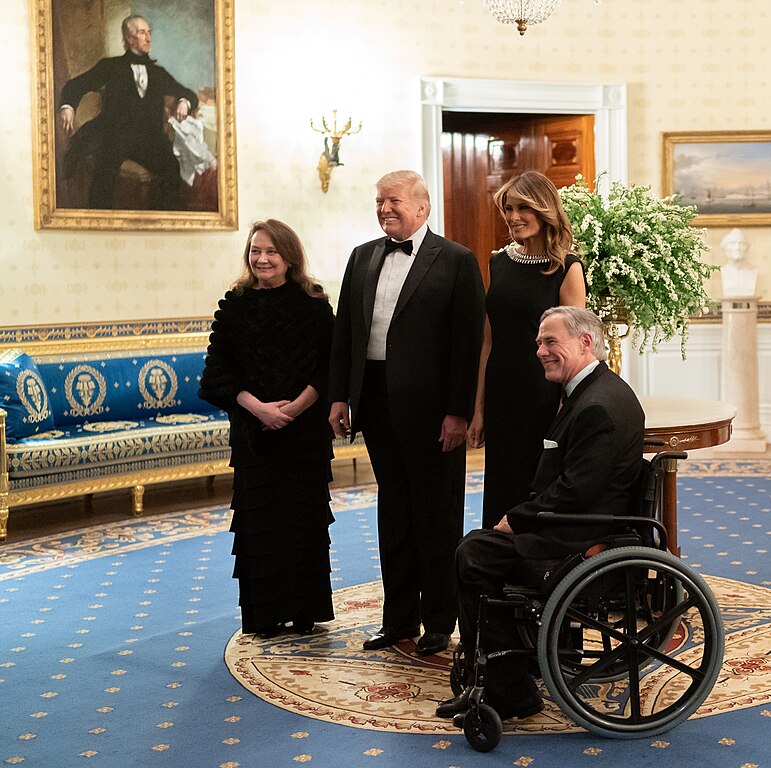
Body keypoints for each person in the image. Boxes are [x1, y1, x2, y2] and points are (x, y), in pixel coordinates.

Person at [435, 306, 645, 722]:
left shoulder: (598, 405)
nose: (540, 351)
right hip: (575, 525)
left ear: (585, 342)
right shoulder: (592, 392)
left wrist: (519, 518)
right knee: (475, 547)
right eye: (538, 343)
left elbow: (576, 491)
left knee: (474, 555)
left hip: (581, 538)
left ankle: (508, 689)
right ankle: (495, 677)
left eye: (550, 341)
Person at [328, 170, 484, 657]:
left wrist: (458, 412)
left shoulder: (456, 260)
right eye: (379, 201)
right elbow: (345, 332)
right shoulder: (362, 256)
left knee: (436, 514)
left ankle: (439, 620)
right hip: (374, 401)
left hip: (434, 410)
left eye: (393, 201)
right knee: (393, 511)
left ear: (422, 206)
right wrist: (340, 396)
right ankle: (397, 619)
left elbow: (467, 343)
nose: (384, 209)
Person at [199, 219, 335, 640]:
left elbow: (328, 369)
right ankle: (265, 617)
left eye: (271, 251)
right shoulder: (234, 306)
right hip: (253, 435)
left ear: (289, 256)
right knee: (259, 527)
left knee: (303, 523)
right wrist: (259, 409)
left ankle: (304, 612)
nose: (262, 259)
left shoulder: (314, 304)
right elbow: (215, 377)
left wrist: (292, 410)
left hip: (304, 434)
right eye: (255, 251)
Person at [467, 170, 587, 528]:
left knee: (538, 487)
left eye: (523, 208)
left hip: (544, 397)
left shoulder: (567, 267)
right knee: (502, 487)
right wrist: (478, 410)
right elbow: (488, 342)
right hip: (502, 395)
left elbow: (577, 349)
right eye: (508, 208)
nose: (513, 217)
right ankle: (499, 559)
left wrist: (567, 408)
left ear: (544, 209)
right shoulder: (498, 262)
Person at [57, 15, 198, 210]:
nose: (148, 38)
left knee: (171, 167)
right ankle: (98, 220)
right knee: (103, 174)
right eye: (142, 33)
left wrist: (184, 102)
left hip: (148, 139)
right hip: (114, 135)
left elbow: (188, 93)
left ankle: (163, 219)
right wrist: (68, 106)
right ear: (130, 38)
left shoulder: (158, 73)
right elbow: (75, 85)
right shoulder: (110, 66)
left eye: (149, 33)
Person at [720, 228, 758, 297]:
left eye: (742, 243)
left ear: (747, 248)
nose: (738, 248)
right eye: (732, 243)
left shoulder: (754, 270)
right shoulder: (722, 271)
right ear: (725, 248)